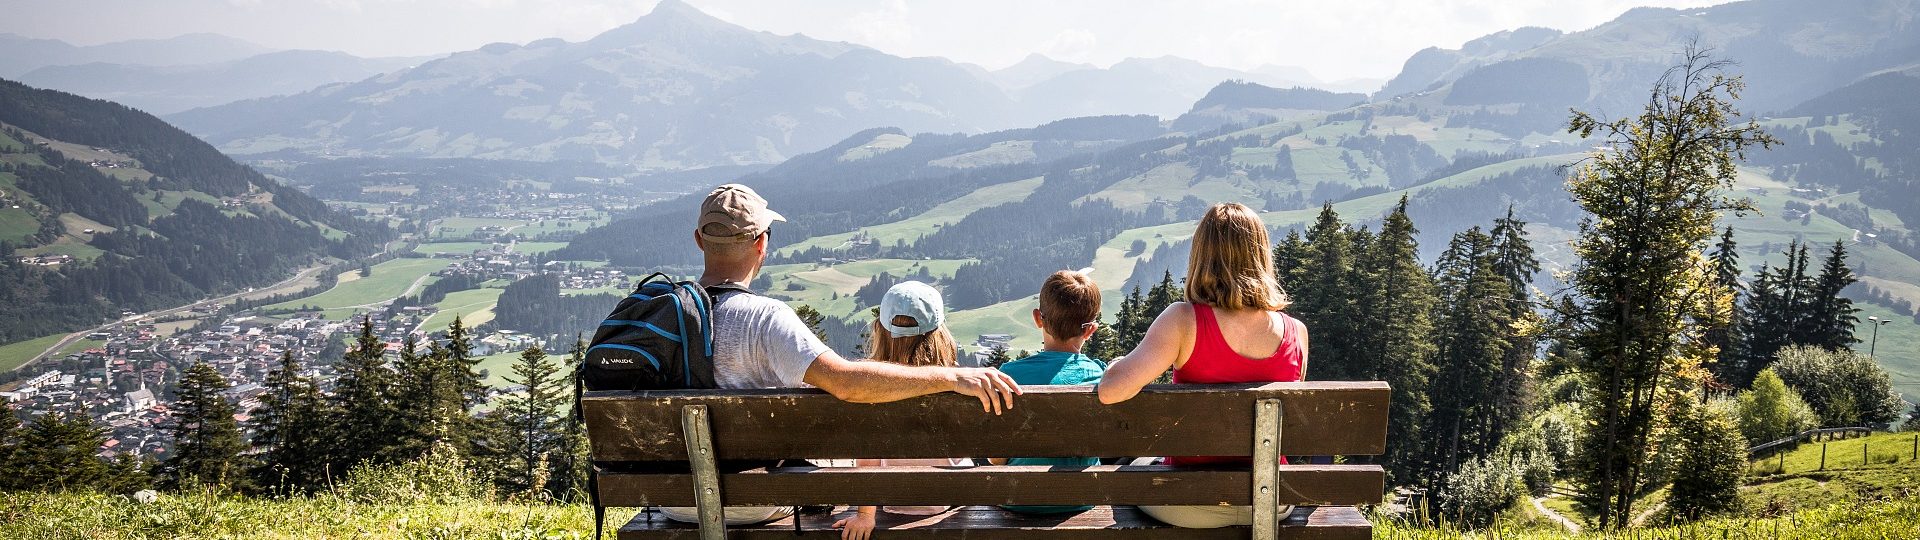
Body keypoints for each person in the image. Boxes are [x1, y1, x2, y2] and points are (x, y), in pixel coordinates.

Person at [658, 184, 1022, 526]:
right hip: (753, 501)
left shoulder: (658, 313)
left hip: (670, 498)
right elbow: (846, 384)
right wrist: (952, 377)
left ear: (698, 241)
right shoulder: (765, 320)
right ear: (761, 245)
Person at [1095, 202, 1308, 529]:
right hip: (1272, 502)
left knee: (1130, 471)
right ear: (1261, 256)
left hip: (1192, 500)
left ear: (1202, 257)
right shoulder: (1297, 333)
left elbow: (1110, 392)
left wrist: (1115, 364)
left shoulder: (1183, 321)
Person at [833, 280, 972, 540]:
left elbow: (868, 461)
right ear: (940, 333)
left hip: (896, 500)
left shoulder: (871, 392)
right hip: (955, 502)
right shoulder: (958, 385)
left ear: (880, 331)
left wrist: (865, 515)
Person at [991, 269, 1109, 515]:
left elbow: (996, 459)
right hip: (1080, 498)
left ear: (1038, 318)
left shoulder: (1008, 375)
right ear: (1090, 330)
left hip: (1018, 499)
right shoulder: (1101, 376)